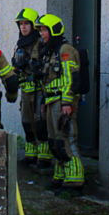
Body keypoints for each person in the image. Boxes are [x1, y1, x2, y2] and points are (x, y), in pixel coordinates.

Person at [35, 14, 84, 195]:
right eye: (41, 30)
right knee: (53, 141)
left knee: (66, 139)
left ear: (54, 30)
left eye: (45, 30)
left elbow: (71, 78)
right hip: (50, 101)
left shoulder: (65, 50)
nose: (42, 34)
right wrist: (43, 102)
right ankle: (61, 177)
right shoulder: (49, 51)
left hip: (62, 102)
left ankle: (75, 181)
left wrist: (67, 102)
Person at [12, 8, 50, 168]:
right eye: (21, 24)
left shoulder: (41, 44)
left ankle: (44, 157)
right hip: (25, 92)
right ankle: (31, 154)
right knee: (27, 123)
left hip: (39, 90)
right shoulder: (20, 45)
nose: (23, 27)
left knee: (40, 123)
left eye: (26, 23)